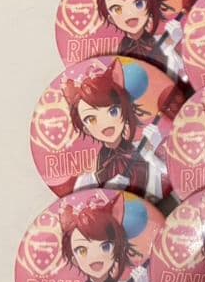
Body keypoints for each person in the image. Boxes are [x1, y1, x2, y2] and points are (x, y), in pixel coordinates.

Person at [63, 60, 166, 200]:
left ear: (125, 110)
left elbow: (174, 181)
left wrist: (153, 157)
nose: (105, 123)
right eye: (91, 119)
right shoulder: (88, 180)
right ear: (86, 129)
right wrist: (108, 192)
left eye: (113, 111)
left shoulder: (145, 147)